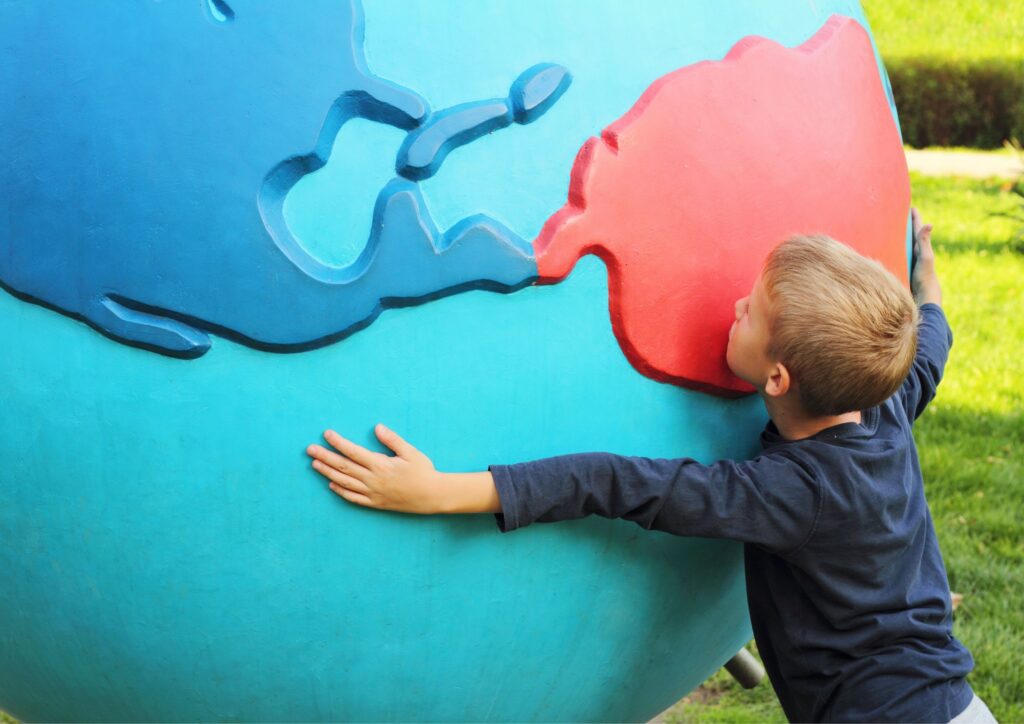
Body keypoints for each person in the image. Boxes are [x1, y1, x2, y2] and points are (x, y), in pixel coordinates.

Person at [306, 209, 994, 723]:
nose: (735, 306)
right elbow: (931, 334)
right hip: (949, 703)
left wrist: (439, 493)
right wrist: (922, 265)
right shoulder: (886, 404)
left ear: (778, 378)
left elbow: (621, 485)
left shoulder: (794, 491)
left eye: (750, 312)